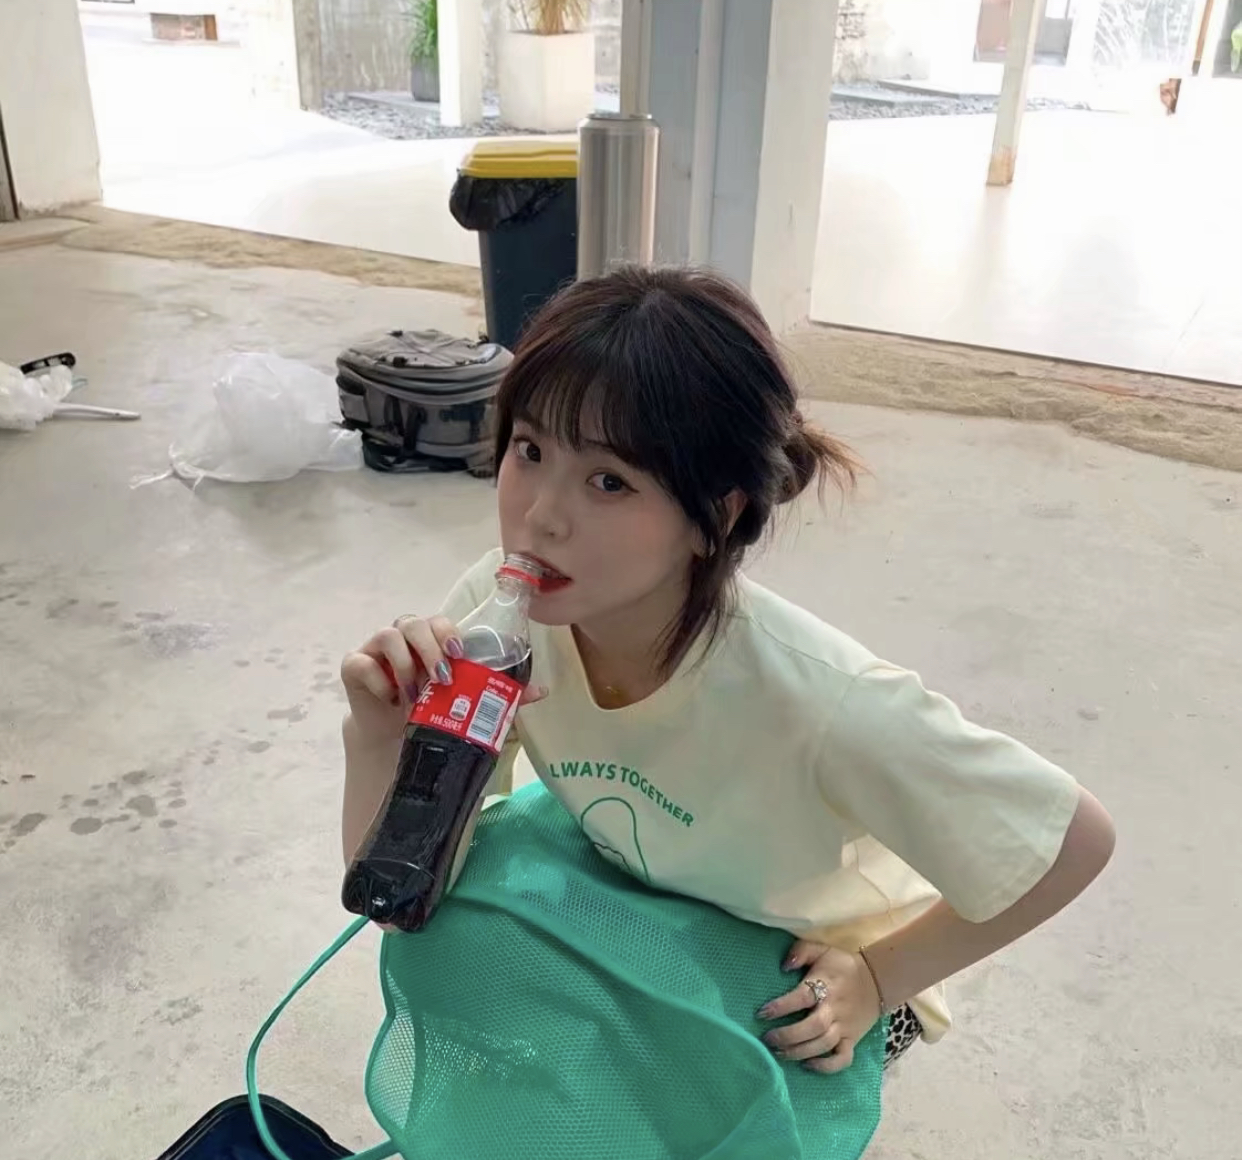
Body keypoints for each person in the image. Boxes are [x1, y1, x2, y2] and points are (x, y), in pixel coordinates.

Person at [339, 266, 1116, 1075]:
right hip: (668, 901)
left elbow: (1075, 842)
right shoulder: (499, 620)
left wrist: (881, 976)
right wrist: (378, 738)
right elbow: (402, 900)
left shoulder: (821, 700)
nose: (541, 516)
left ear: (717, 514)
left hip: (811, 958)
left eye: (609, 481)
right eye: (530, 450)